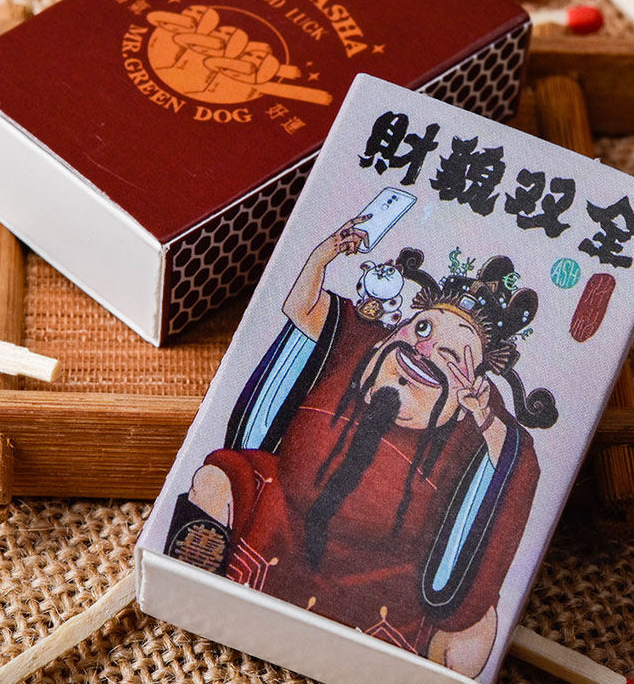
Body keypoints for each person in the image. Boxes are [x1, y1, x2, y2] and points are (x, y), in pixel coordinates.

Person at [165, 215, 557, 677]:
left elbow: (516, 463)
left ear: (468, 391)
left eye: (452, 356)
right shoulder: (360, 340)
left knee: (475, 632)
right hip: (281, 516)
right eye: (423, 330)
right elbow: (302, 307)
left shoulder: (473, 419)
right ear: (397, 330)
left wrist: (486, 415)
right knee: (216, 480)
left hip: (391, 580)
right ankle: (194, 574)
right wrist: (322, 256)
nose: (425, 352)